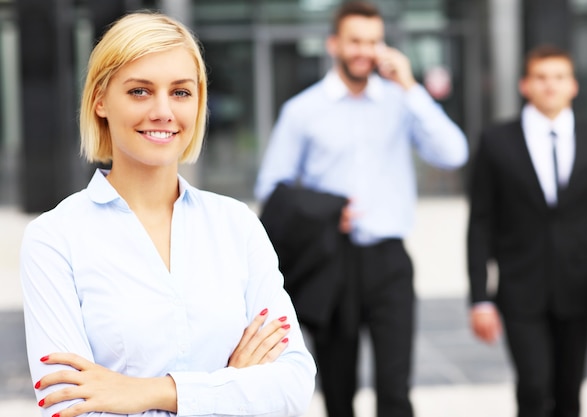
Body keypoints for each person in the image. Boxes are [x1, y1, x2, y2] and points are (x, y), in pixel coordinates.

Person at [20, 11, 315, 417]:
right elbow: (71, 406)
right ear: (100, 100)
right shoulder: (55, 238)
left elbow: (293, 385)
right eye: (140, 91)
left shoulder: (237, 225)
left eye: (180, 92)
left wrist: (154, 393)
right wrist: (231, 384)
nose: (163, 111)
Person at [255, 2, 468, 416]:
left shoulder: (401, 102)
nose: (364, 51)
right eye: (355, 41)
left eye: (373, 41)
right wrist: (324, 210)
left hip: (390, 261)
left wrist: (411, 86)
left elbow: (454, 153)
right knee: (338, 392)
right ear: (334, 43)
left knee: (395, 391)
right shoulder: (303, 111)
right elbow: (271, 187)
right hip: (331, 261)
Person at [467, 44, 587, 417]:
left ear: (573, 85)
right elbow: (480, 224)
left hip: (577, 287)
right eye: (541, 77)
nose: (550, 86)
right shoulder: (496, 142)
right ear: (525, 85)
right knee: (534, 388)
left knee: (569, 394)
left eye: (559, 77)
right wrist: (480, 298)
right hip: (521, 290)